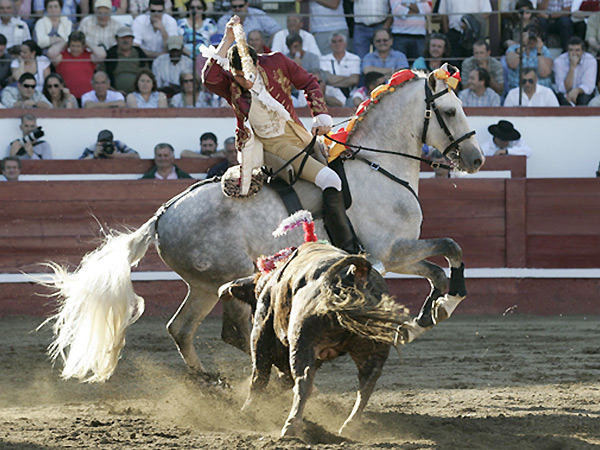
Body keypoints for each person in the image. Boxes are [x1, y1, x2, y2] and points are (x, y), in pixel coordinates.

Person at [202, 16, 360, 254]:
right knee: (331, 180)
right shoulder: (228, 82)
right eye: (238, 77)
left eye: (248, 75)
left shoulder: (276, 61)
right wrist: (227, 39)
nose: (245, 82)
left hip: (298, 133)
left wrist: (320, 115)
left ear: (257, 63)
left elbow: (309, 83)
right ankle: (349, 251)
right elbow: (208, 77)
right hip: (269, 145)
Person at [48, 31, 106, 100]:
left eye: (78, 46)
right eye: (73, 46)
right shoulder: (62, 57)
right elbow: (51, 53)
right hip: (67, 97)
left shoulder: (89, 56)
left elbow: (102, 55)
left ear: (83, 46)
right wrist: (66, 43)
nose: (75, 49)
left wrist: (87, 43)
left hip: (88, 97)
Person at [505, 23, 553, 91]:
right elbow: (512, 65)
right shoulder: (513, 49)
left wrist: (539, 51)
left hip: (540, 89)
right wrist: (523, 46)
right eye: (530, 37)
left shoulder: (544, 50)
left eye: (534, 38)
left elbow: (544, 74)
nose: (531, 40)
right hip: (518, 88)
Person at [103, 26, 150, 95]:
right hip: (114, 94)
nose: (125, 40)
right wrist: (114, 91)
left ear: (132, 39)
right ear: (116, 39)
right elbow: (102, 76)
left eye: (128, 38)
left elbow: (147, 75)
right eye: (122, 38)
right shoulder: (110, 55)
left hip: (139, 93)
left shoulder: (140, 54)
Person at [552, 36, 597, 106]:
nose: (574, 53)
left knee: (583, 100)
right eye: (571, 50)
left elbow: (589, 86)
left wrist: (576, 91)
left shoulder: (591, 60)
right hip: (565, 92)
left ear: (583, 51)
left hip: (582, 93)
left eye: (577, 50)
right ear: (567, 51)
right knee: (564, 103)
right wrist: (572, 67)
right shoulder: (559, 61)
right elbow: (561, 88)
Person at [320, 32, 361, 98]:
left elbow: (354, 80)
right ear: (330, 45)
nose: (337, 44)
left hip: (350, 93)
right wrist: (348, 78)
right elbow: (328, 79)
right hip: (331, 94)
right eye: (334, 42)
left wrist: (333, 80)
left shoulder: (354, 58)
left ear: (345, 44)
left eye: (340, 41)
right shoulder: (323, 59)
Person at [216, 0, 281, 40]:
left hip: (257, 55)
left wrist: (266, 46)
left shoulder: (258, 14)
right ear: (230, 6)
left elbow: (277, 31)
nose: (237, 9)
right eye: (234, 7)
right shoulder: (223, 21)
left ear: (247, 5)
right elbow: (221, 41)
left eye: (241, 6)